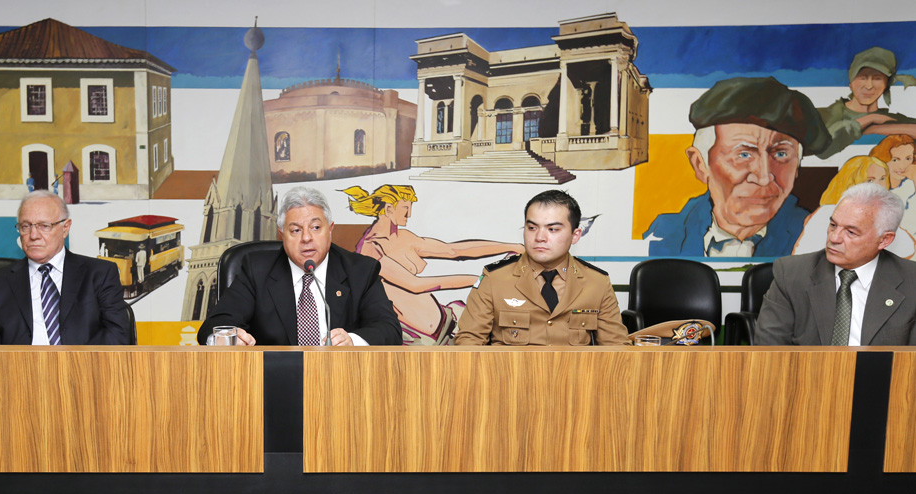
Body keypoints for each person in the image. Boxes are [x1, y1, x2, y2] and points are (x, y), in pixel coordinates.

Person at [642, 76, 831, 257]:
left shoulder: (816, 237)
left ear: (797, 165)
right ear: (700, 165)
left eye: (781, 154)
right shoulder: (662, 235)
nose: (764, 177)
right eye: (743, 155)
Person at [197, 186, 401, 346]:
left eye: (315, 228)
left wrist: (352, 341)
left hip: (341, 382)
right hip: (272, 382)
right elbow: (214, 326)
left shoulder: (360, 271)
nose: (306, 238)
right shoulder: (256, 270)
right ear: (281, 234)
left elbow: (389, 329)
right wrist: (229, 338)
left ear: (330, 230)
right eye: (295, 230)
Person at [344, 183, 523, 345]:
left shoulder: (404, 237)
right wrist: (478, 280)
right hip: (417, 339)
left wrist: (511, 246)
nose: (410, 214)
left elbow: (453, 251)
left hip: (447, 322)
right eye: (405, 208)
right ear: (389, 209)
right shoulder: (371, 248)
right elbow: (415, 285)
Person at [455, 190, 628, 346]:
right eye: (532, 228)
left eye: (552, 229)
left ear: (575, 235)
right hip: (512, 379)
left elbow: (617, 349)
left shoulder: (596, 282)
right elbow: (469, 343)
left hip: (575, 380)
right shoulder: (495, 278)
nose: (539, 237)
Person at [756, 182, 916, 346]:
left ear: (884, 240)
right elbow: (769, 350)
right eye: (833, 225)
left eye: (851, 232)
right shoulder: (791, 274)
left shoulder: (911, 282)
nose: (834, 238)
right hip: (809, 371)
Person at [0, 190, 132, 345]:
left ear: (65, 228)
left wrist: (71, 366)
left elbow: (117, 334)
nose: (33, 235)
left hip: (82, 369)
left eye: (44, 226)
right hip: (19, 370)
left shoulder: (100, 274)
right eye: (26, 226)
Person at [791, 155, 915, 256]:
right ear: (851, 181)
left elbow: (908, 248)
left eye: (882, 178)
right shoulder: (827, 212)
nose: (877, 185)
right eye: (870, 180)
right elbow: (803, 256)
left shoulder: (882, 215)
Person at [817, 47, 916, 160]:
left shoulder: (891, 119)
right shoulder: (821, 115)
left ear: (886, 85)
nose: (869, 86)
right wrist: (869, 119)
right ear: (851, 82)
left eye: (877, 78)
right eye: (862, 78)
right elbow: (822, 151)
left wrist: (874, 129)